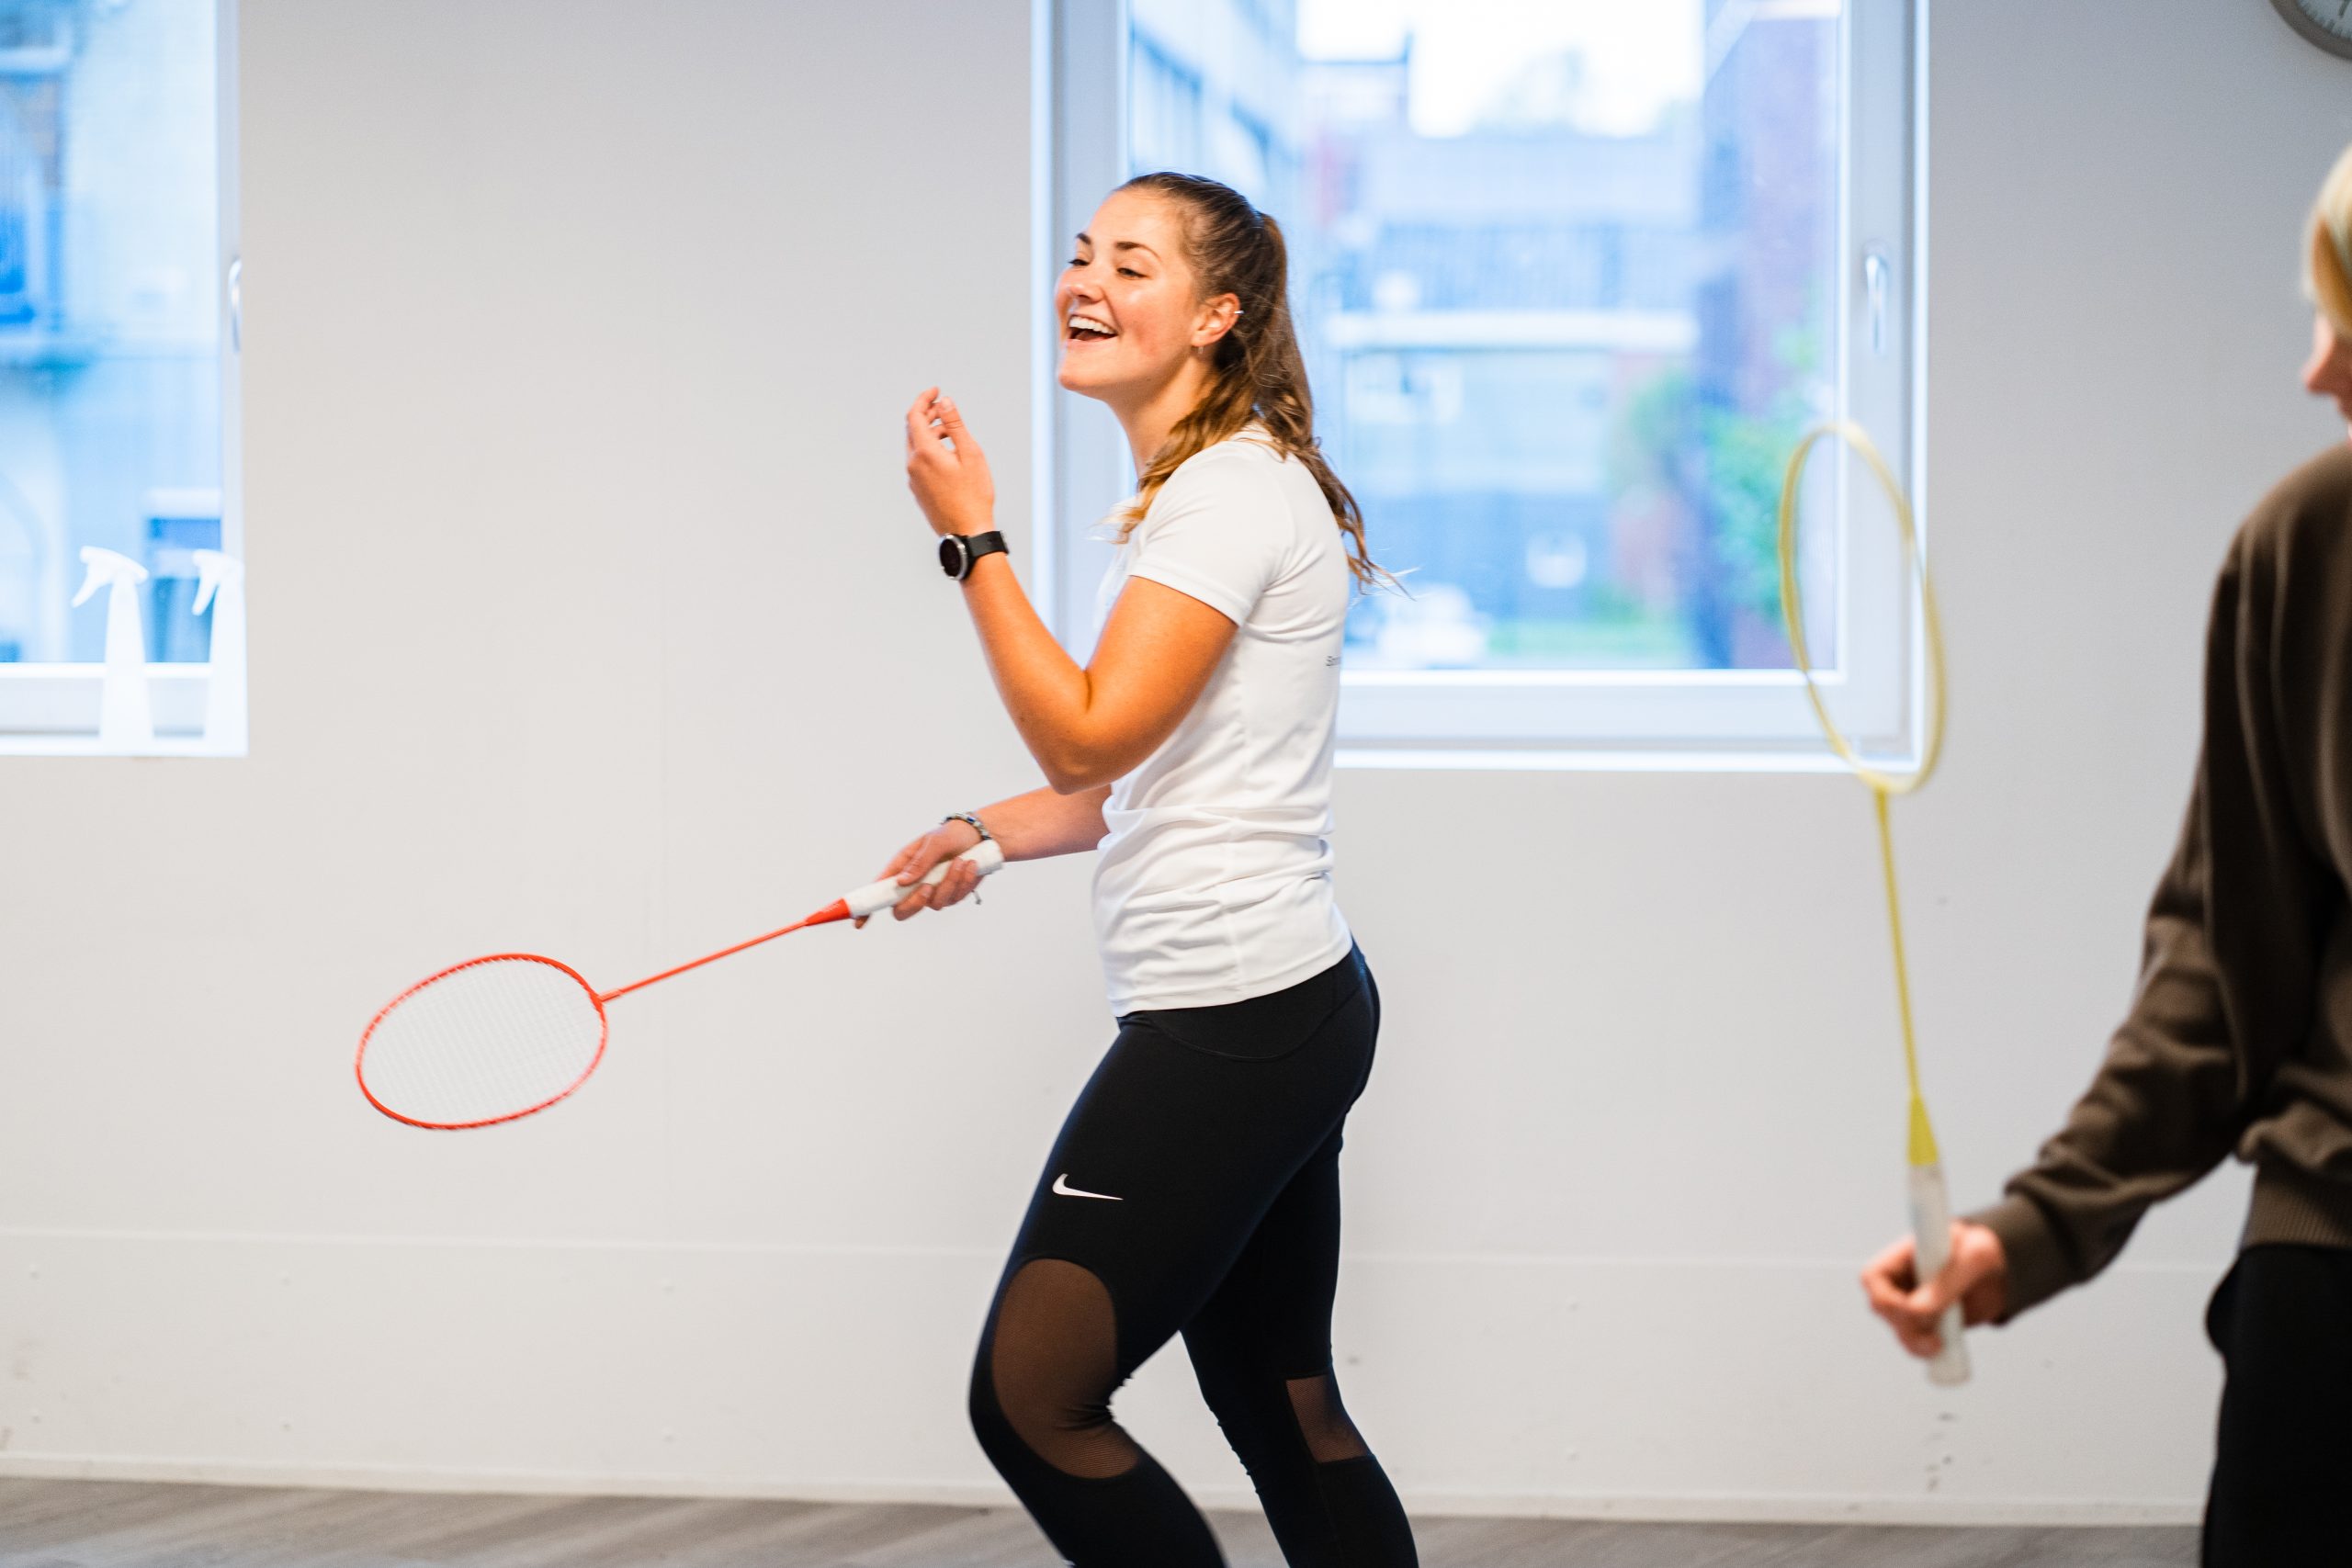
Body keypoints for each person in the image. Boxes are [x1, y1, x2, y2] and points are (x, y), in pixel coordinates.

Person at [871, 171, 1418, 1568]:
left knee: (1033, 1404)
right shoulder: (1213, 492)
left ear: (1218, 317)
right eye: (1079, 254)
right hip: (1286, 1002)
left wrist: (971, 536)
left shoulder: (1227, 499)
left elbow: (1090, 731)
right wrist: (989, 833)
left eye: (1133, 262)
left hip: (1235, 1018)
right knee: (1280, 1402)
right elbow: (1142, 780)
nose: (1086, 282)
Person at [1861, 141, 2352, 1567]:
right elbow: (2225, 956)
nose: (2320, 371)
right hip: (2332, 1260)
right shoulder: (2304, 547)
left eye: (2346, 315)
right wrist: (2034, 1228)